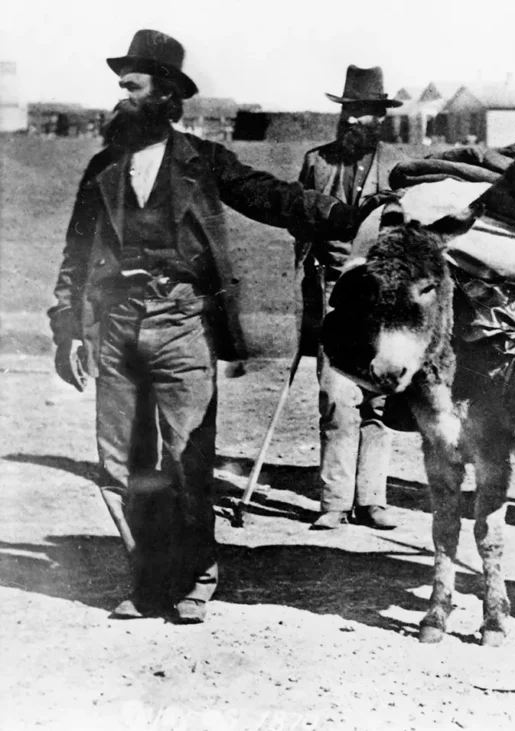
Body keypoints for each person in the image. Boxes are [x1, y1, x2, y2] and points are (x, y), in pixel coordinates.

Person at [49, 30, 367, 624]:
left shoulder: (203, 160)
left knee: (185, 456)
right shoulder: (102, 168)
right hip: (115, 328)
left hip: (183, 323)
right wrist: (67, 330)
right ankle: (147, 581)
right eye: (120, 84)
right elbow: (74, 256)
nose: (121, 95)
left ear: (167, 94)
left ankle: (197, 575)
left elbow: (270, 196)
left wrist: (344, 215)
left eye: (133, 85)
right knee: (119, 463)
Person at [296, 66, 408, 531]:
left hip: (381, 299)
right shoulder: (317, 162)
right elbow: (298, 226)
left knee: (377, 399)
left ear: (380, 119)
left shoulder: (400, 169)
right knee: (337, 395)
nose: (357, 122)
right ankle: (335, 501)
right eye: (351, 113)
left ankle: (373, 499)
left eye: (366, 114)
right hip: (330, 294)